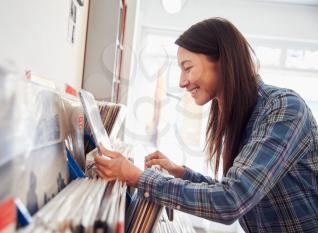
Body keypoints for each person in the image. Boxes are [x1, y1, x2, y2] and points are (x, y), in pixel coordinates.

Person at [94, 17, 318, 233]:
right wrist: (182, 173)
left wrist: (137, 177)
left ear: (222, 61)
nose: (182, 82)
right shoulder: (240, 115)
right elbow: (235, 188)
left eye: (188, 67)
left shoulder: (284, 109)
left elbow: (231, 200)